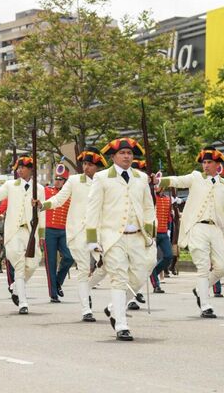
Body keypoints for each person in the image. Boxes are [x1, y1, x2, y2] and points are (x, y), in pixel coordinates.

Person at [86, 138, 156, 341]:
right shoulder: (101, 178)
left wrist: (150, 233)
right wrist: (92, 239)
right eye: (122, 153)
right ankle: (121, 324)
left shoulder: (141, 178)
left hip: (137, 236)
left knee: (139, 275)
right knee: (118, 278)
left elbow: (148, 207)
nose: (127, 156)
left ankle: (113, 308)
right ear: (113, 157)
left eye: (129, 153)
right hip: (112, 237)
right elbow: (93, 209)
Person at [157, 146, 224, 319]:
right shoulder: (196, 178)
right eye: (204, 162)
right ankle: (205, 305)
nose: (205, 166)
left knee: (222, 267)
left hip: (216, 228)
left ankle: (200, 289)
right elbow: (178, 181)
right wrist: (159, 180)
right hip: (197, 226)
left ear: (217, 165)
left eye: (209, 162)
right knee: (203, 266)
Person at [40, 147, 107, 321]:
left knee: (106, 266)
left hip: (99, 233)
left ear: (97, 166)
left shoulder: (105, 181)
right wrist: (42, 205)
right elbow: (59, 199)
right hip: (77, 232)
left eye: (90, 165)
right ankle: (86, 309)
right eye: (84, 163)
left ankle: (87, 288)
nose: (86, 167)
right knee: (83, 270)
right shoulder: (74, 181)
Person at [0, 155, 45, 314]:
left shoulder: (39, 188)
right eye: (18, 168)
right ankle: (23, 302)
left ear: (30, 169)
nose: (20, 170)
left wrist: (41, 235)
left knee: (33, 264)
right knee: (20, 266)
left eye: (23, 167)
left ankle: (16, 287)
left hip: (31, 231)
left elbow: (42, 213)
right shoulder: (10, 185)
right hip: (14, 231)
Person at [42, 163, 74, 303]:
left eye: (60, 179)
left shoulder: (71, 193)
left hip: (64, 230)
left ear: (66, 181)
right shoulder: (47, 191)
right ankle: (53, 293)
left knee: (69, 257)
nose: (57, 181)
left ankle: (58, 282)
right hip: (49, 230)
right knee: (51, 262)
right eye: (56, 178)